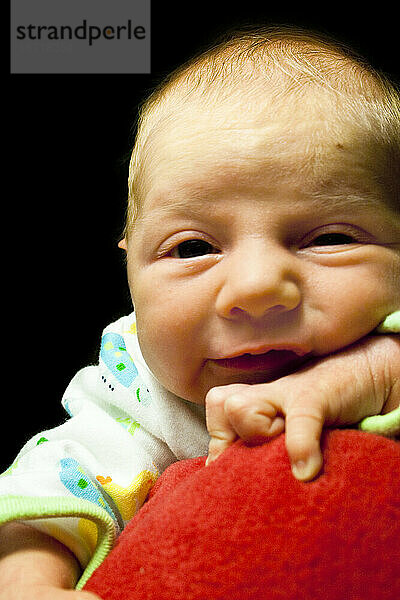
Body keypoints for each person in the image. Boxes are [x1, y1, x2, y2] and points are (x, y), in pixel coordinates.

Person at [1, 24, 399, 600]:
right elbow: (57, 484)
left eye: (330, 238)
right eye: (192, 248)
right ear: (129, 266)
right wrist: (28, 579)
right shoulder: (142, 397)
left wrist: (367, 372)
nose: (258, 286)